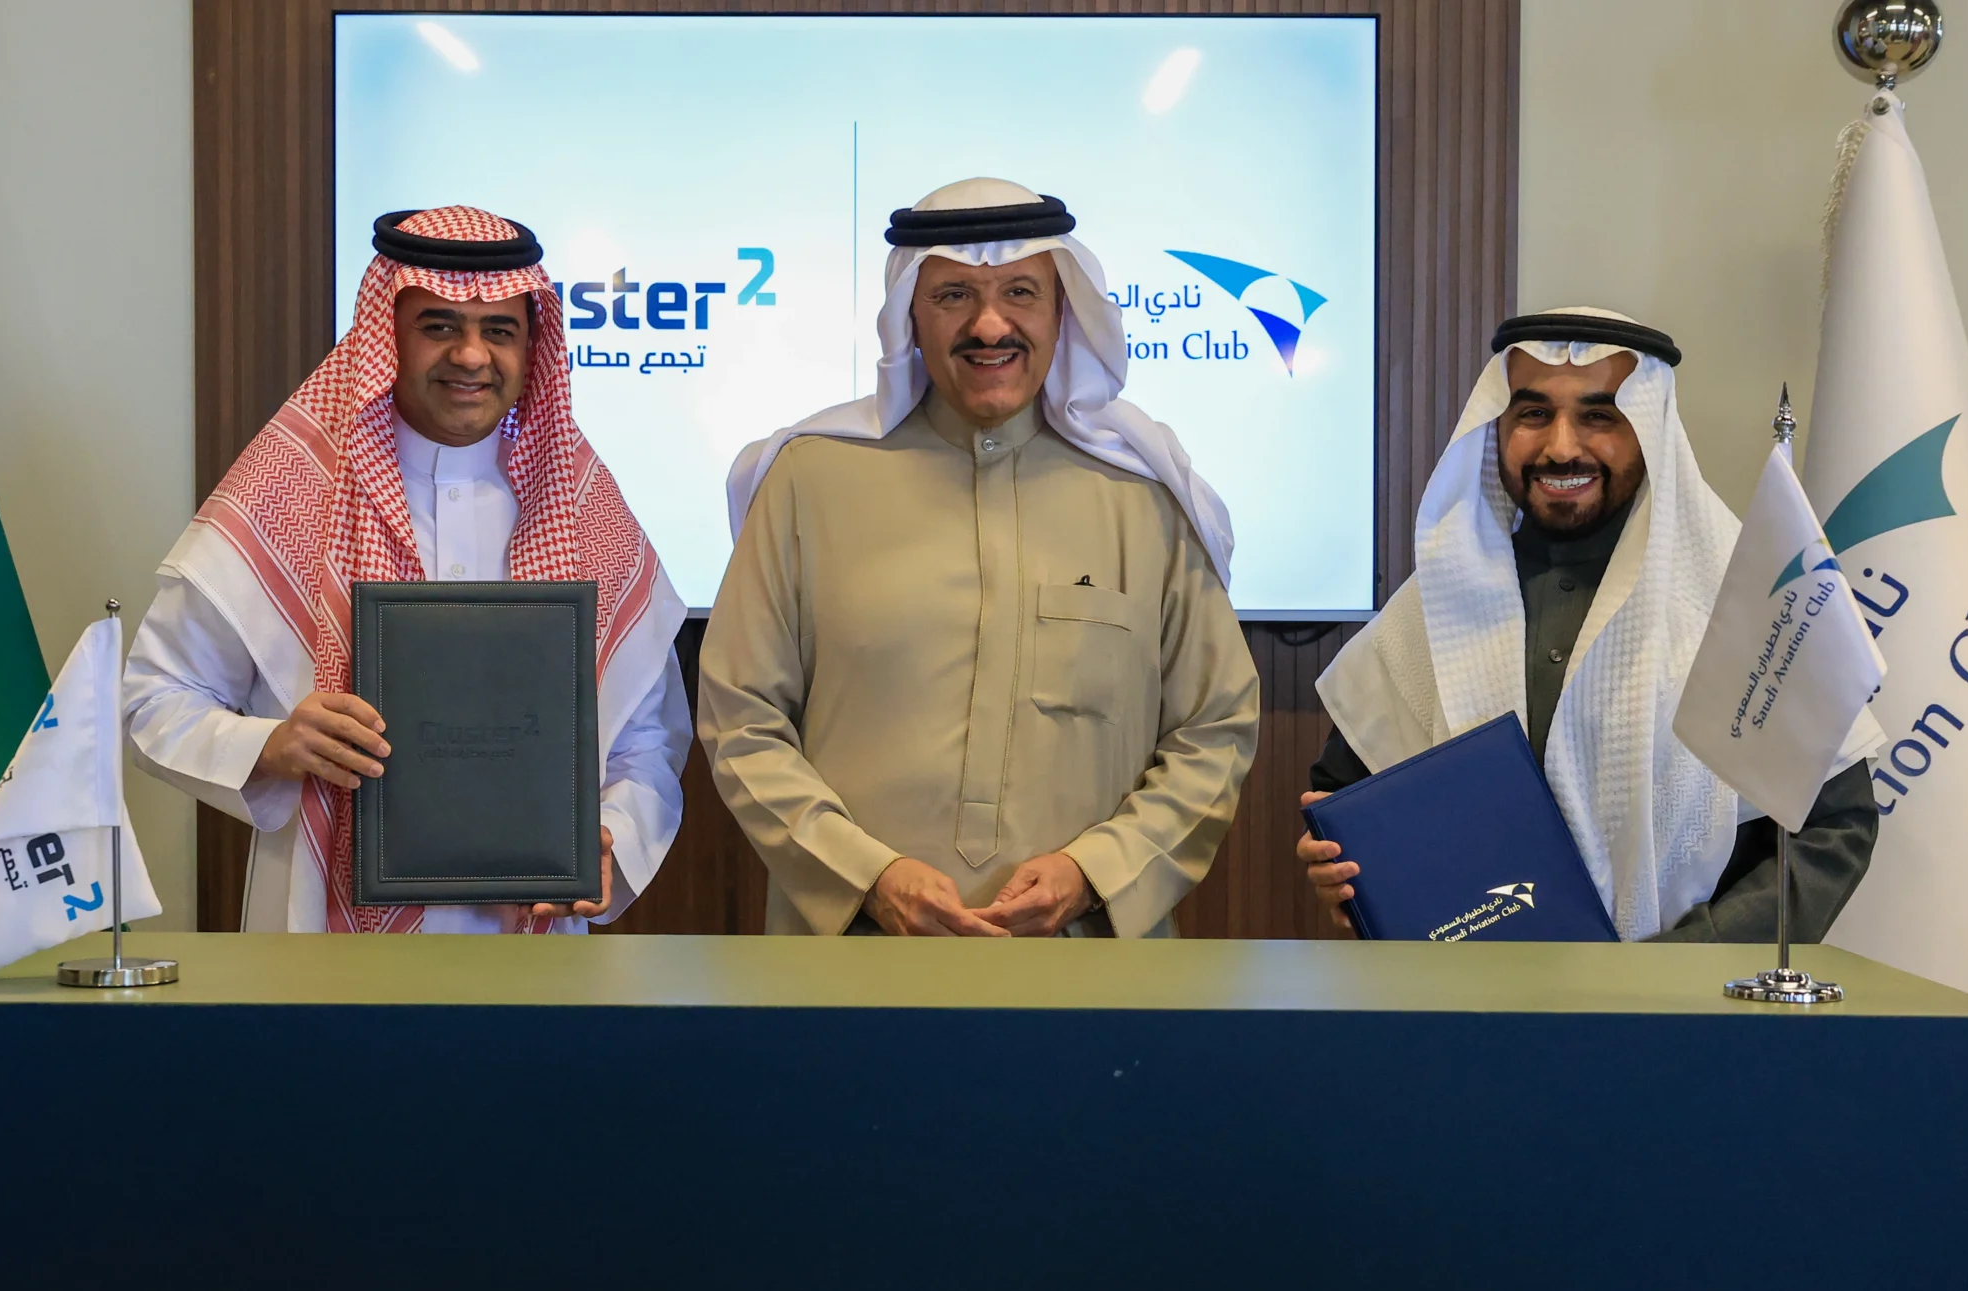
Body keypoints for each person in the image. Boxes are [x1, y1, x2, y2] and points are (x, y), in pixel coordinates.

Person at [699, 179, 1259, 938]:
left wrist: (1096, 872)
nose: (989, 325)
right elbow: (741, 718)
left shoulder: (1148, 498)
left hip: (1090, 965)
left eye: (1020, 292)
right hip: (852, 963)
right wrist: (866, 878)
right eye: (953, 295)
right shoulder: (806, 481)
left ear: (1063, 312)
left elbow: (1215, 727)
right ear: (909, 315)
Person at [124, 206, 689, 933]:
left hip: (529, 946)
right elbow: (154, 701)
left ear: (532, 345)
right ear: (386, 335)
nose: (472, 356)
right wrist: (268, 745)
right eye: (440, 325)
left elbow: (647, 740)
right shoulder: (289, 490)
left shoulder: (582, 508)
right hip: (323, 938)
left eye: (500, 330)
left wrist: (614, 837)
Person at [1298, 310, 1877, 942]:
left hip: (1691, 995)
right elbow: (1349, 797)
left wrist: (1693, 958)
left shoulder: (1740, 600)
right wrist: (1349, 878)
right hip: (1470, 989)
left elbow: (1832, 827)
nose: (1562, 447)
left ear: (1649, 431)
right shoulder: (1435, 604)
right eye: (1533, 413)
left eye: (1600, 416)